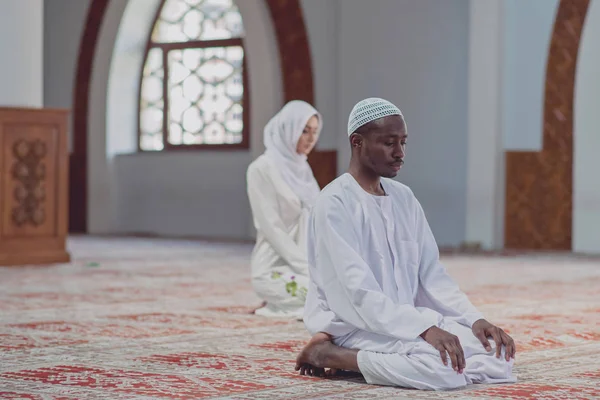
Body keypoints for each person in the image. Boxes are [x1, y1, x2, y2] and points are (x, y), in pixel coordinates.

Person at [295, 98, 516, 390]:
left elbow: (432, 276)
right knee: (445, 371)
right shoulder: (335, 201)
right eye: (389, 143)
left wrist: (474, 319)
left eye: (403, 142)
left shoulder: (404, 198)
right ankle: (333, 354)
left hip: (406, 320)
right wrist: (423, 330)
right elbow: (357, 293)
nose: (400, 153)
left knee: (498, 358)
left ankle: (381, 359)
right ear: (357, 142)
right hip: (354, 323)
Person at [246, 100, 322, 319]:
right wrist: (306, 268)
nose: (310, 139)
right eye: (304, 130)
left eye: (315, 132)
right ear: (287, 129)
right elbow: (271, 227)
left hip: (309, 263)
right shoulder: (261, 169)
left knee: (349, 291)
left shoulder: (302, 168)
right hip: (274, 266)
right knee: (328, 297)